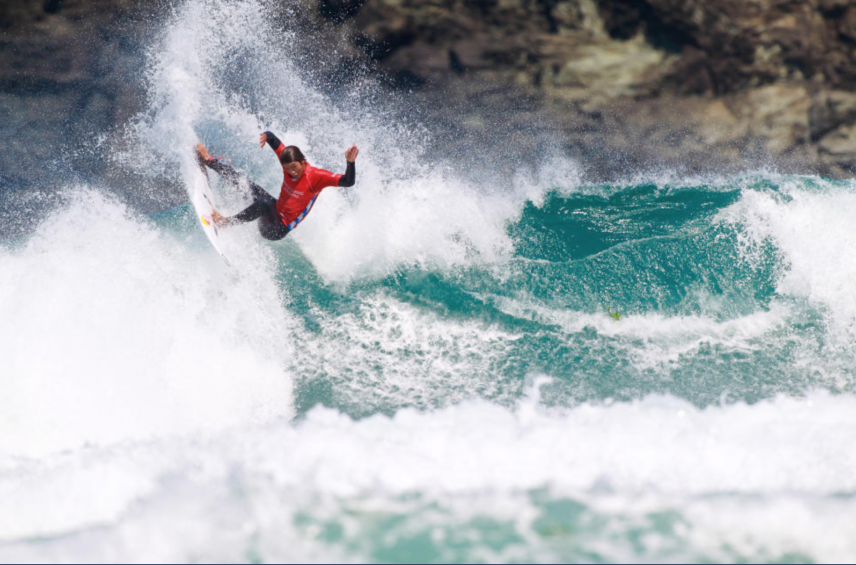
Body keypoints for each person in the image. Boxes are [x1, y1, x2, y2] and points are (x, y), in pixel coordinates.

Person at [195, 131, 358, 240]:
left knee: (264, 203)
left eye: (295, 168)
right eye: (287, 169)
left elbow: (347, 182)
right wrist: (265, 136)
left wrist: (350, 163)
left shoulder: (316, 177)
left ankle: (226, 223)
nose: (292, 172)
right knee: (247, 184)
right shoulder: (287, 160)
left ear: (303, 162)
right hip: (274, 210)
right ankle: (210, 161)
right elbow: (272, 138)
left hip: (276, 229)